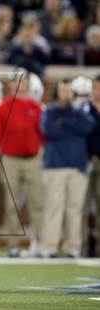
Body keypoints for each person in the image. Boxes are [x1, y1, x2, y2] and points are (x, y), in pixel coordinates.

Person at [0, 69, 44, 257]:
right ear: (10, 84)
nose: (20, 84)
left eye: (23, 80)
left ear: (28, 83)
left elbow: (42, 135)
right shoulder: (3, 107)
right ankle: (13, 246)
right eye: (16, 81)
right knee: (11, 204)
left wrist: (41, 154)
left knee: (38, 202)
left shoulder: (35, 107)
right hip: (10, 159)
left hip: (32, 159)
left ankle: (40, 245)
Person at [39, 79, 95, 258]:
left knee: (75, 209)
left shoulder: (79, 112)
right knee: (53, 208)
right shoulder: (50, 111)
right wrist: (70, 125)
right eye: (63, 90)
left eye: (69, 91)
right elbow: (49, 130)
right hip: (55, 166)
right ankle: (49, 246)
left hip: (77, 166)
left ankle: (73, 247)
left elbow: (88, 126)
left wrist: (64, 123)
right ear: (57, 92)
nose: (66, 94)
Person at [85, 74, 100, 257]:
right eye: (96, 88)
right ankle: (83, 244)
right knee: (83, 205)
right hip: (87, 160)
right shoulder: (84, 109)